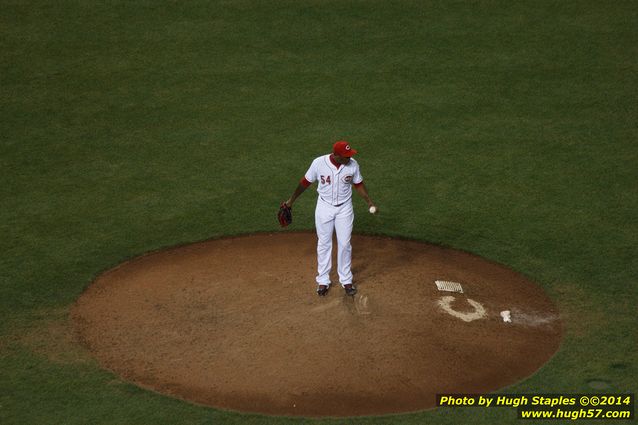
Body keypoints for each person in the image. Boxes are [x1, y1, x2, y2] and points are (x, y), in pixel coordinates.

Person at [284, 141, 377, 296]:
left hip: (345, 208)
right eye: (346, 156)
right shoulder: (318, 163)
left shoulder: (353, 165)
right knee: (324, 243)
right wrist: (290, 201)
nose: (349, 158)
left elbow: (359, 184)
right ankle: (323, 280)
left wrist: (369, 202)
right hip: (324, 207)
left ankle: (346, 280)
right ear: (336, 155)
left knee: (345, 243)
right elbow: (304, 183)